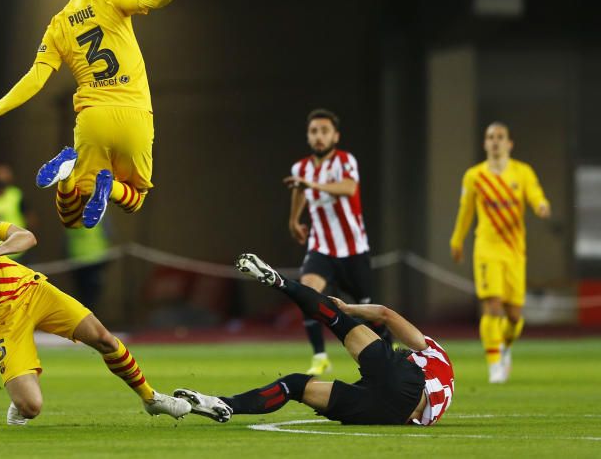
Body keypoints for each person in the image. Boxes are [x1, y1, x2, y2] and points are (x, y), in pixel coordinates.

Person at [0, 0, 222, 229]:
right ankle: (109, 189)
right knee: (137, 198)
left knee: (71, 218)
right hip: (134, 115)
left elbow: (35, 79)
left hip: (93, 119)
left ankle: (66, 175)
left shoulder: (57, 26)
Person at [0, 189, 191, 424]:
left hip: (34, 291)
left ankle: (151, 398)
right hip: (3, 325)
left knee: (103, 338)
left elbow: (26, 236)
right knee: (31, 408)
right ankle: (19, 400)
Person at [175, 253, 455, 427]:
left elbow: (385, 314)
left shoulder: (432, 351)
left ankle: (280, 282)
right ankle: (222, 405)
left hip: (403, 387)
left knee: (337, 319)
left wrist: (348, 308)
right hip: (392, 415)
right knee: (298, 385)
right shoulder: (441, 375)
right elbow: (389, 392)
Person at [283, 108, 385, 376]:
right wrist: (294, 220)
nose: (319, 136)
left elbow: (348, 188)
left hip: (353, 249)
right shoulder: (301, 168)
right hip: (321, 248)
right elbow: (299, 192)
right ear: (308, 136)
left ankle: (389, 351)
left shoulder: (345, 161)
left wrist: (311, 185)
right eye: (314, 131)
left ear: (335, 136)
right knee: (308, 292)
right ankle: (320, 356)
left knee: (366, 310)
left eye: (324, 131)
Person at [450, 121, 550, 383]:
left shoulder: (522, 172)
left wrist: (541, 205)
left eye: (500, 137)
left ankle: (505, 346)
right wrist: (457, 240)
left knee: (514, 316)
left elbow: (535, 194)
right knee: (492, 306)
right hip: (487, 249)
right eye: (490, 137)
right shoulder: (474, 176)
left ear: (509, 143)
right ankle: (494, 361)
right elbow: (465, 211)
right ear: (485, 143)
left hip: (515, 251)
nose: (495, 141)